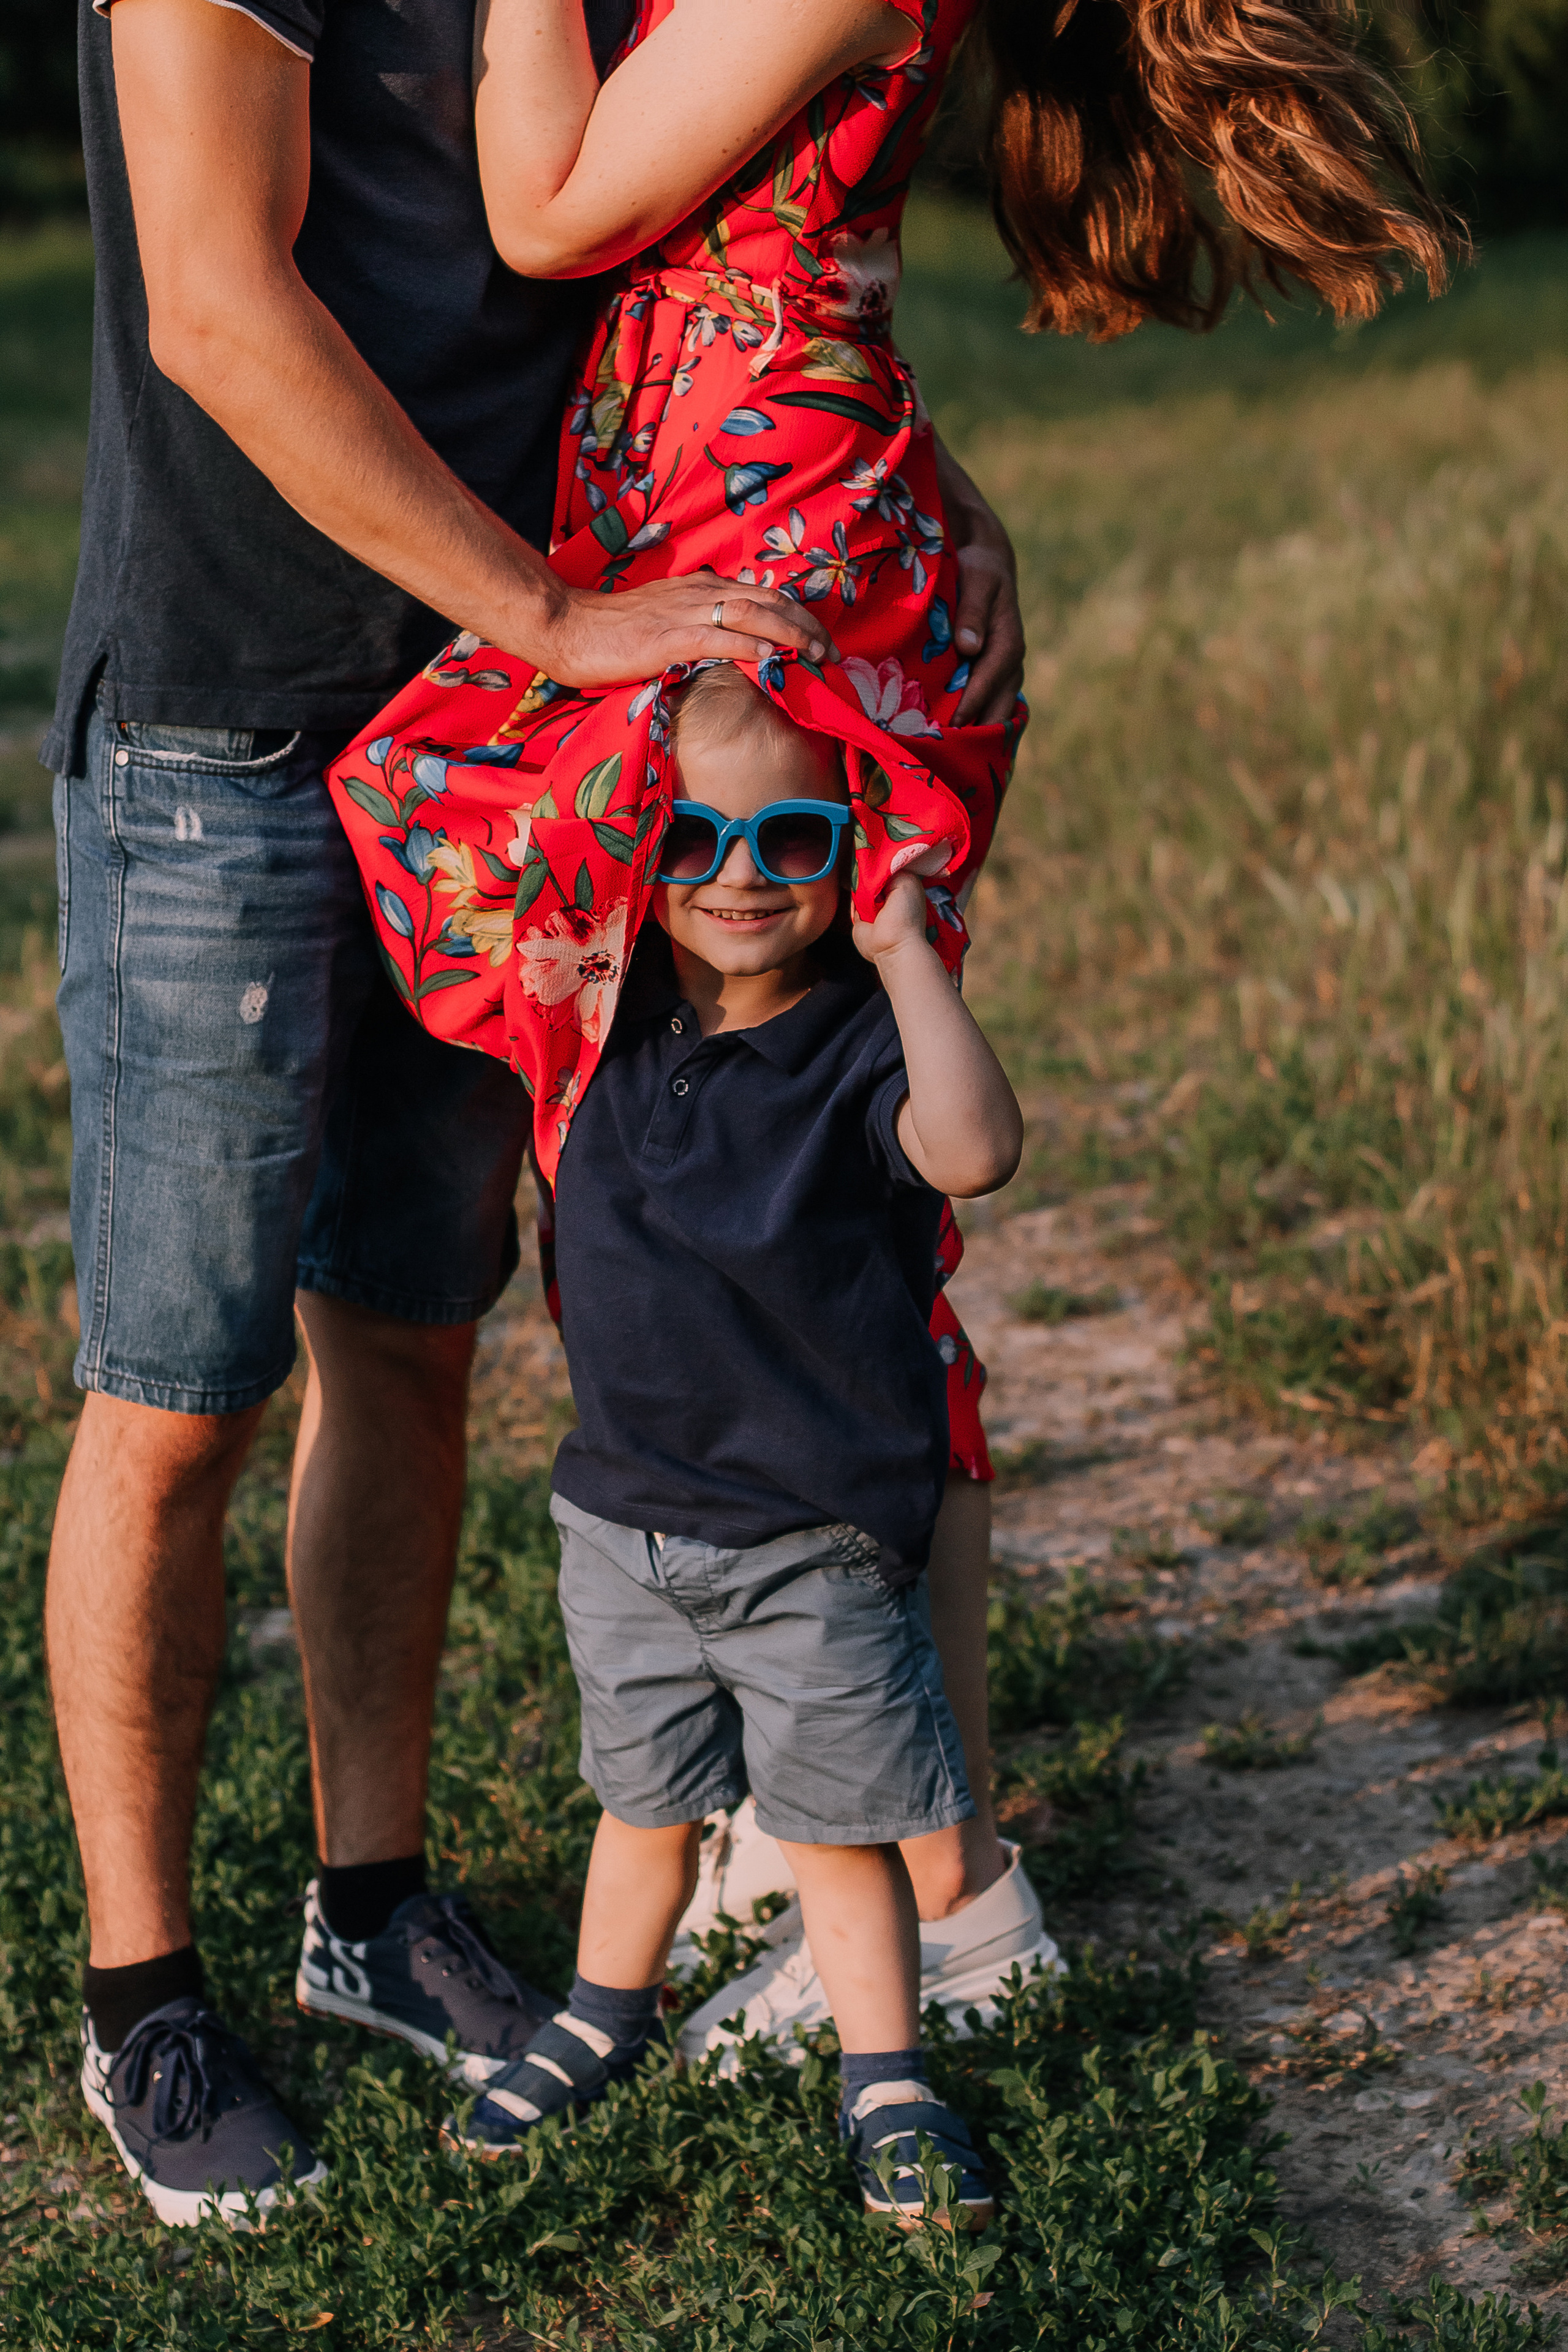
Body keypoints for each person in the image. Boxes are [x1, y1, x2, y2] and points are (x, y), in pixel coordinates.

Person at [329, 0, 1458, 2073]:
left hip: (760, 572)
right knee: (758, 1217)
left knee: (793, 1236)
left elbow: (553, 202)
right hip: (760, 526)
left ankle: (956, 1895)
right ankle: (819, 1795)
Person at [51, 0, 1026, 2232]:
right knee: (173, 1393)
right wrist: (555, 613)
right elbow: (214, 297)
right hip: (235, 714)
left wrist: (907, 476)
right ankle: (145, 1993)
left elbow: (719, 238)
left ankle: (373, 1907)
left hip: (481, 740)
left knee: (409, 1336)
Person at [451, 663, 1022, 2231]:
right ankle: (596, 2013)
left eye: (789, 838)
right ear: (636, 846)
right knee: (639, 1807)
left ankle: (887, 2074)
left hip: (809, 1539)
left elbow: (976, 1149)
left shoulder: (857, 1049)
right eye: (692, 838)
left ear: (850, 845)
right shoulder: (597, 1010)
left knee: (837, 1831)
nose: (739, 876)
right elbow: (461, 818)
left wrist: (906, 948)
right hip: (622, 1523)